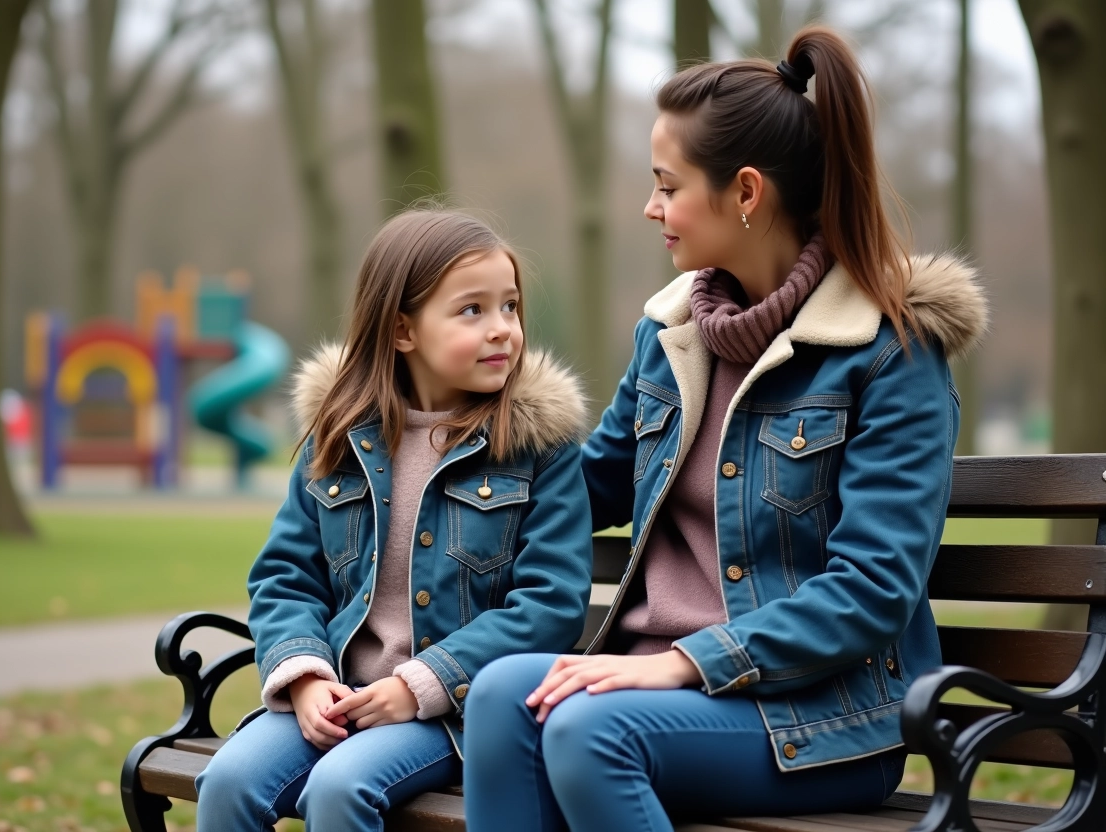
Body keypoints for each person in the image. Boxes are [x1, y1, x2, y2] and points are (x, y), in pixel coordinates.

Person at [464, 26, 988, 831]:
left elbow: (872, 588)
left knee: (586, 731)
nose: (651, 208)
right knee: (502, 693)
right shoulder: (671, 335)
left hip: (814, 719)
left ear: (746, 193)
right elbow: (586, 482)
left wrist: (685, 662)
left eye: (667, 186)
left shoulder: (889, 356)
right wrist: (426, 452)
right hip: (657, 687)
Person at [196, 209, 593, 830]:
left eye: (510, 307)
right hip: (338, 695)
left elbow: (550, 603)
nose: (503, 330)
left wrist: (420, 684)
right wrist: (304, 676)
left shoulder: (537, 446)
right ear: (403, 329)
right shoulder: (342, 439)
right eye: (472, 310)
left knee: (339, 788)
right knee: (228, 781)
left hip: (451, 715)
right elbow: (284, 577)